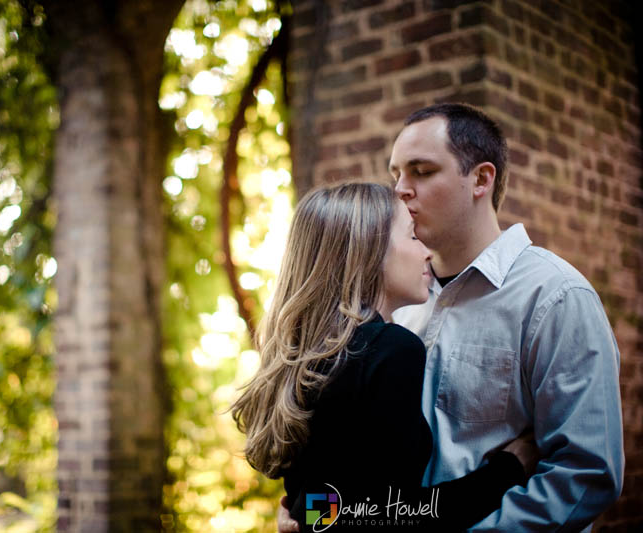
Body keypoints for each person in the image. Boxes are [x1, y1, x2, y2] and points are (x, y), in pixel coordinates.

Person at [277, 104, 624, 532]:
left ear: (481, 179)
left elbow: (584, 475)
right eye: (396, 174)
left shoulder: (555, 297)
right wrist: (308, 513)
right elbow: (357, 487)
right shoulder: (388, 304)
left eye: (421, 171)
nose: (401, 190)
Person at [232, 181, 537, 532]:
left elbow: (330, 509)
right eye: (412, 236)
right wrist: (509, 469)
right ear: (368, 252)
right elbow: (397, 516)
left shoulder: (306, 359)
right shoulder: (392, 349)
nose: (427, 252)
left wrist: (302, 516)